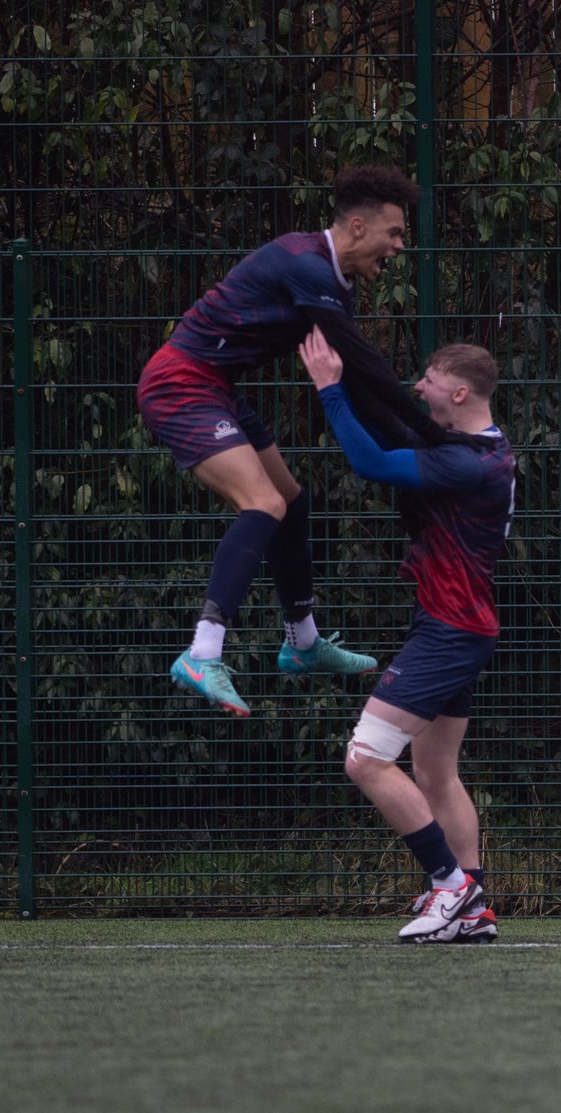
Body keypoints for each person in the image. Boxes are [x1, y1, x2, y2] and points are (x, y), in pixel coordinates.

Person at [137, 165, 484, 716]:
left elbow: (356, 386)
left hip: (216, 388)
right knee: (264, 502)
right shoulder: (307, 265)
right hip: (180, 382)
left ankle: (301, 642)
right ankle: (203, 651)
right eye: (393, 234)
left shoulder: (331, 288)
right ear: (354, 227)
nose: (398, 247)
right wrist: (431, 434)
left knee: (292, 504)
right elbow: (368, 367)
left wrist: (430, 448)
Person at [298, 326, 516, 944]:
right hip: (460, 626)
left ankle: (450, 886)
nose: (419, 386)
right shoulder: (480, 448)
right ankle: (473, 908)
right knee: (436, 774)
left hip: (449, 632)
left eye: (430, 378)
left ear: (461, 390)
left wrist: (330, 390)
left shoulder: (464, 463)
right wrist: (357, 374)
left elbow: (371, 461)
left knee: (365, 758)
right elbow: (401, 429)